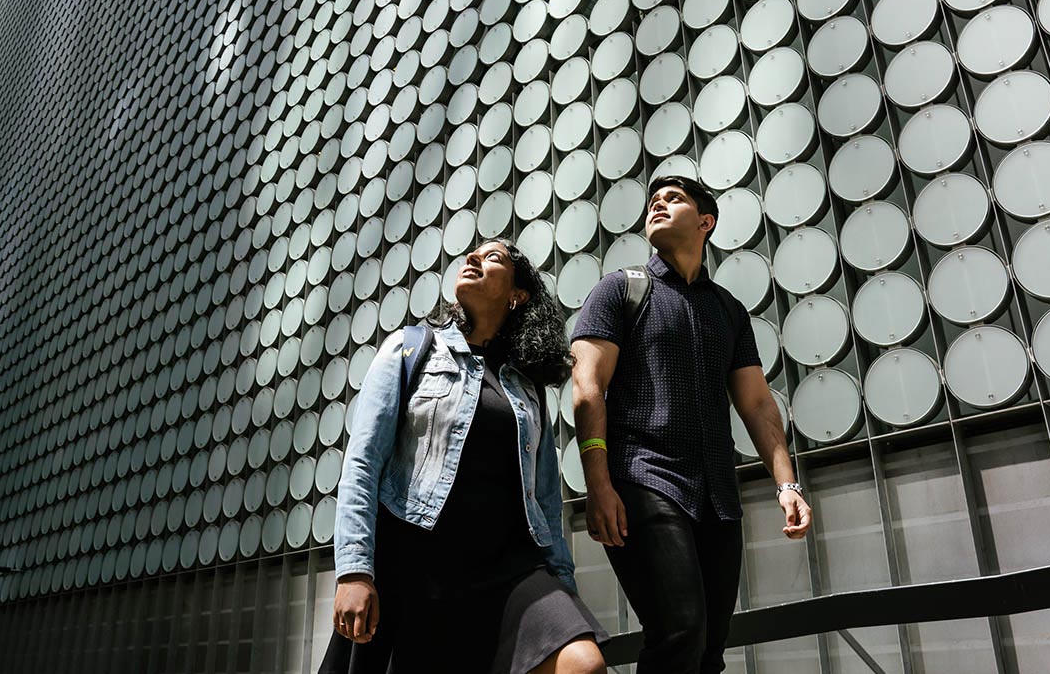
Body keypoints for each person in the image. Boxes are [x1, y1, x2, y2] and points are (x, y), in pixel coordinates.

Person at [324, 239, 607, 674]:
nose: (473, 258)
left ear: (518, 294)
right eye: (472, 253)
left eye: (492, 258)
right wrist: (355, 570)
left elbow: (546, 499)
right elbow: (362, 462)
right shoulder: (410, 348)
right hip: (418, 568)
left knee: (581, 663)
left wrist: (563, 585)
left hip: (508, 571)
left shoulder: (527, 387)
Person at [570, 175, 813, 674]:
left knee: (708, 650)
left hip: (717, 495)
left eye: (673, 199)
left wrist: (787, 484)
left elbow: (758, 404)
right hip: (642, 478)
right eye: (653, 200)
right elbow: (587, 387)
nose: (657, 204)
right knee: (680, 629)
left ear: (706, 222)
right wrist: (598, 483)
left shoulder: (729, 309)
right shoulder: (620, 289)